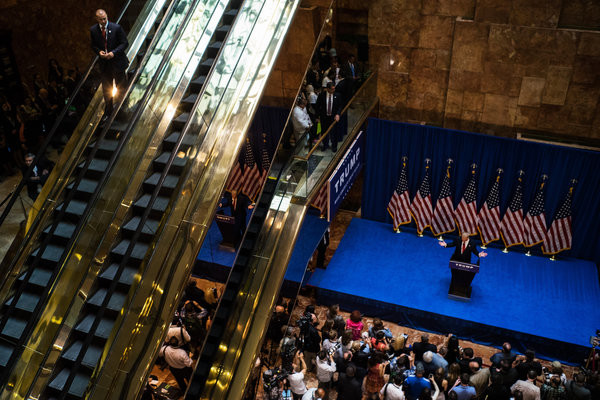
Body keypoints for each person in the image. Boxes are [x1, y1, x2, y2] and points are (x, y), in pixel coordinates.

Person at [90, 9, 129, 118]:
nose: (103, 21)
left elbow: (125, 43)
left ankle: (122, 109)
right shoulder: (93, 30)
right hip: (104, 65)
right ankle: (109, 111)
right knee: (106, 89)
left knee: (121, 87)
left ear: (107, 16)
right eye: (101, 19)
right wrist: (99, 52)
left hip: (117, 63)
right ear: (96, 19)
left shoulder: (116, 28)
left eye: (105, 19)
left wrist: (114, 53)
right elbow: (93, 45)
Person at [315, 81, 341, 152]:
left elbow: (339, 106)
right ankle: (325, 145)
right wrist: (317, 117)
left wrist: (338, 114)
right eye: (332, 89)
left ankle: (334, 146)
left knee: (334, 133)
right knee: (324, 132)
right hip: (324, 118)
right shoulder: (322, 95)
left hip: (333, 118)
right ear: (327, 89)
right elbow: (317, 106)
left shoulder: (337, 95)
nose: (334, 90)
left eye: (334, 88)